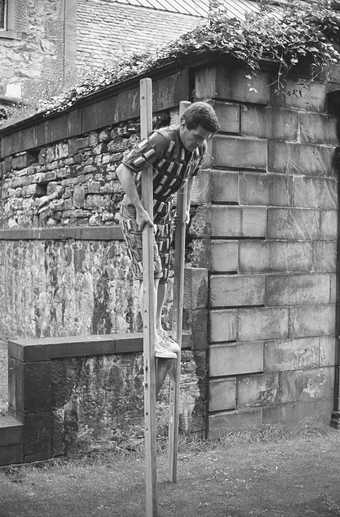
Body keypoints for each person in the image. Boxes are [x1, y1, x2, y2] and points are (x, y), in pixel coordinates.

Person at [116, 102, 219, 391]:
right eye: (196, 136)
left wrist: (184, 208)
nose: (199, 143)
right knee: (152, 271)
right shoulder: (162, 139)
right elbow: (123, 170)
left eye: (204, 139)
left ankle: (159, 330)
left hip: (163, 210)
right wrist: (138, 208)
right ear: (183, 125)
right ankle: (152, 332)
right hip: (137, 210)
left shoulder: (198, 150)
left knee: (162, 273)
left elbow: (186, 180)